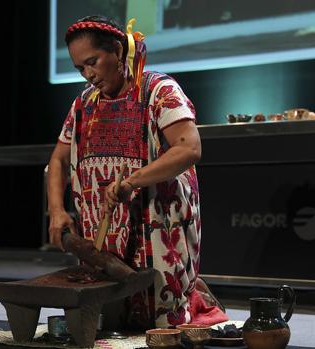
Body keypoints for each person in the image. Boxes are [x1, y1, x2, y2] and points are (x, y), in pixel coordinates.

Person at [47, 14, 228, 329]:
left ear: (117, 50)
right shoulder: (83, 104)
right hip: (101, 229)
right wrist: (56, 210)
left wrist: (131, 181)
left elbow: (189, 148)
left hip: (157, 225)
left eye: (93, 62)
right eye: (80, 69)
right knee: (109, 315)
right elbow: (58, 161)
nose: (88, 74)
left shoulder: (159, 90)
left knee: (162, 319)